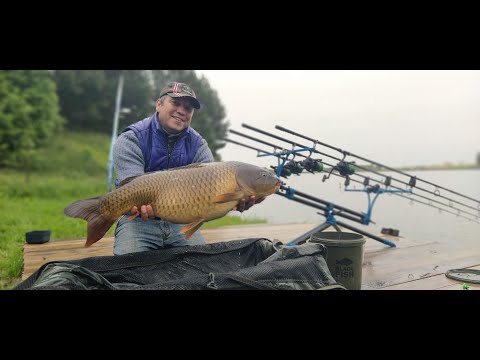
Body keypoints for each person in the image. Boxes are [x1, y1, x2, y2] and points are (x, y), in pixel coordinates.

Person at [112, 81, 264, 255]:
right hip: (138, 222)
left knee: (202, 267)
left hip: (181, 224)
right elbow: (130, 188)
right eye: (175, 103)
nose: (182, 111)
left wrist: (235, 202)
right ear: (159, 104)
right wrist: (137, 207)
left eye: (188, 108)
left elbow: (211, 198)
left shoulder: (198, 145)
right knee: (127, 268)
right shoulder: (132, 139)